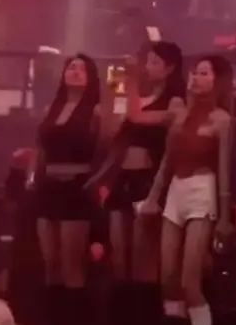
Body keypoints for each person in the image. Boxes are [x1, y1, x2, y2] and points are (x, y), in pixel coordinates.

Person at [87, 42, 186, 325]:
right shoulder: (140, 97)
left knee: (145, 260)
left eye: (155, 62)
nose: (148, 68)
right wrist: (110, 97)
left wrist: (129, 81)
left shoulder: (175, 102)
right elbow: (113, 131)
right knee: (120, 258)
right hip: (124, 179)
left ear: (170, 68)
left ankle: (145, 317)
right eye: (147, 62)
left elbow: (137, 117)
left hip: (149, 181)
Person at [139, 55, 235, 325]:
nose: (196, 78)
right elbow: (167, 161)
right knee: (168, 278)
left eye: (204, 73)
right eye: (194, 72)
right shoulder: (179, 114)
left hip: (202, 190)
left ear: (216, 81)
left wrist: (224, 217)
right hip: (176, 190)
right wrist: (152, 197)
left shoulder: (222, 119)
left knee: (189, 282)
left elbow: (224, 169)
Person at [34, 53, 109, 325]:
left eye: (81, 69)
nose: (75, 72)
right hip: (48, 187)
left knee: (71, 264)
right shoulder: (50, 109)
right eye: (71, 67)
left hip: (77, 187)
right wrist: (35, 179)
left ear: (90, 77)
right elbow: (41, 151)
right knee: (50, 261)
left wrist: (97, 183)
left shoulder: (97, 111)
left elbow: (107, 150)